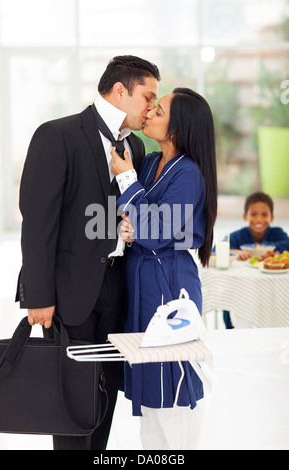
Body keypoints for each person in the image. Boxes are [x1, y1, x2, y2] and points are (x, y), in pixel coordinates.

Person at [15, 55, 160, 450]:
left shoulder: (138, 149)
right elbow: (38, 221)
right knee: (69, 403)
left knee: (103, 399)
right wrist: (39, 296)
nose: (152, 108)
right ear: (119, 90)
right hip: (68, 292)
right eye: (147, 97)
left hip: (117, 289)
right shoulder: (57, 134)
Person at [111, 88, 217, 450]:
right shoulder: (149, 161)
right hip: (142, 281)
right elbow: (133, 221)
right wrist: (129, 228)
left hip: (170, 284)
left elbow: (156, 230)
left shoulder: (188, 173)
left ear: (179, 127)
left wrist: (127, 183)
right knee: (151, 394)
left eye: (160, 109)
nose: (150, 112)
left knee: (174, 385)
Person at [223, 191, 289, 329]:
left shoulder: (278, 234)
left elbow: (286, 245)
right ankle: (232, 328)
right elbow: (219, 249)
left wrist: (269, 251)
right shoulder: (237, 236)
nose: (259, 219)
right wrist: (237, 253)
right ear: (245, 216)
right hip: (243, 292)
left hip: (270, 293)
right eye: (253, 214)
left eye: (264, 215)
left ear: (272, 218)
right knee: (229, 299)